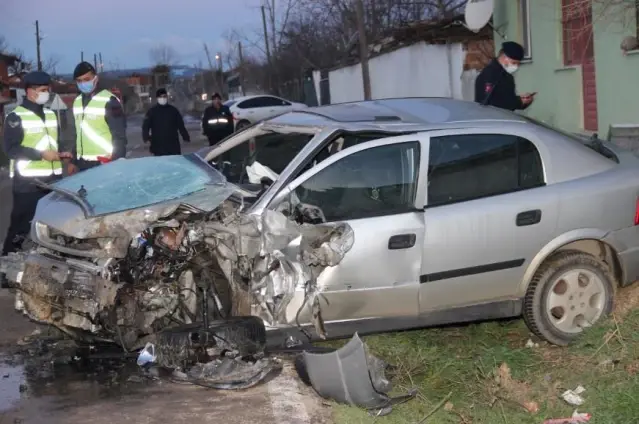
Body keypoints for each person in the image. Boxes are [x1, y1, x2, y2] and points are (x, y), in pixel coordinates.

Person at [1, 71, 73, 278]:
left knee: (50, 227)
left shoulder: (51, 114)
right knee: (21, 227)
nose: (47, 93)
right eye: (42, 90)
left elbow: (52, 144)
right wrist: (40, 154)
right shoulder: (16, 116)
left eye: (48, 89)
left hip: (51, 182)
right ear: (30, 92)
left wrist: (61, 155)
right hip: (28, 183)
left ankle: (45, 268)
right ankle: (5, 270)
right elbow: (11, 149)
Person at [68, 61, 127, 172]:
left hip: (104, 162)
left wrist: (117, 162)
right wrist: (73, 161)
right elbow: (79, 134)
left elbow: (119, 136)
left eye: (87, 79)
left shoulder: (109, 101)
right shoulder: (77, 102)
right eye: (79, 81)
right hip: (82, 164)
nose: (83, 83)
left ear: (96, 78)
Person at [474, 41, 535, 111]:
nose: (516, 66)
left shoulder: (506, 75)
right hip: (492, 119)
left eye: (518, 64)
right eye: (514, 63)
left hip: (504, 117)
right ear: (504, 58)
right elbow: (488, 102)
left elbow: (506, 98)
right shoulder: (490, 74)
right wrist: (518, 101)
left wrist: (522, 101)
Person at [142, 88, 190, 156]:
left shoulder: (173, 111)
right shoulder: (152, 112)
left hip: (173, 144)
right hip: (158, 144)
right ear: (157, 98)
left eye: (164, 96)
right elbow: (145, 126)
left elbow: (180, 125)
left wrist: (185, 137)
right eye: (160, 97)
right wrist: (146, 138)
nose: (162, 98)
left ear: (167, 97)